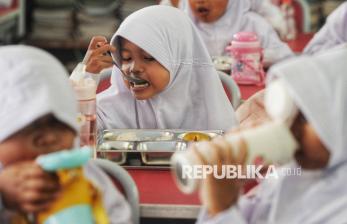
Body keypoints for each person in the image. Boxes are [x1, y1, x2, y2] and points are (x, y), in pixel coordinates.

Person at [193, 45, 347, 223]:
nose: (290, 127)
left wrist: (221, 208)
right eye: (289, 115)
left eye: (305, 118)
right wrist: (225, 196)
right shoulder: (290, 177)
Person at [0, 45, 131, 223]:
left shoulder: (85, 176)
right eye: (29, 126)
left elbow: (118, 217)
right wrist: (4, 197)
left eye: (59, 124)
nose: (49, 138)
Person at [77, 6, 237, 131]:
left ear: (178, 60)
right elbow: (74, 133)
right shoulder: (114, 107)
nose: (133, 68)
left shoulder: (210, 111)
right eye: (126, 58)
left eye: (148, 58)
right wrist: (86, 76)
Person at [171, 0, 293, 66]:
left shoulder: (252, 24)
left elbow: (284, 56)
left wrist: (253, 57)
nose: (200, 1)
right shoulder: (183, 29)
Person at [160, 0, 288, 38]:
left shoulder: (253, 22)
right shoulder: (183, 16)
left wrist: (276, 31)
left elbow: (268, 11)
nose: (200, 2)